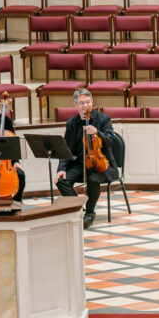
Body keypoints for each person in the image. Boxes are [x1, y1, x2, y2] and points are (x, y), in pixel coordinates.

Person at [55, 89, 119, 229]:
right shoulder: (72, 123)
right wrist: (61, 169)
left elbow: (110, 141)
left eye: (88, 102)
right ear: (75, 105)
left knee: (93, 180)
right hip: (81, 164)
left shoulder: (103, 119)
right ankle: (79, 210)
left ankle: (90, 212)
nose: (85, 106)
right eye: (81, 103)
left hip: (102, 164)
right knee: (61, 181)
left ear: (92, 102)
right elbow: (66, 150)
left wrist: (98, 132)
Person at [0, 90, 25, 202]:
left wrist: (16, 162)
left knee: (20, 174)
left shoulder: (5, 120)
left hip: (5, 161)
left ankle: (17, 202)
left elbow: (13, 144)